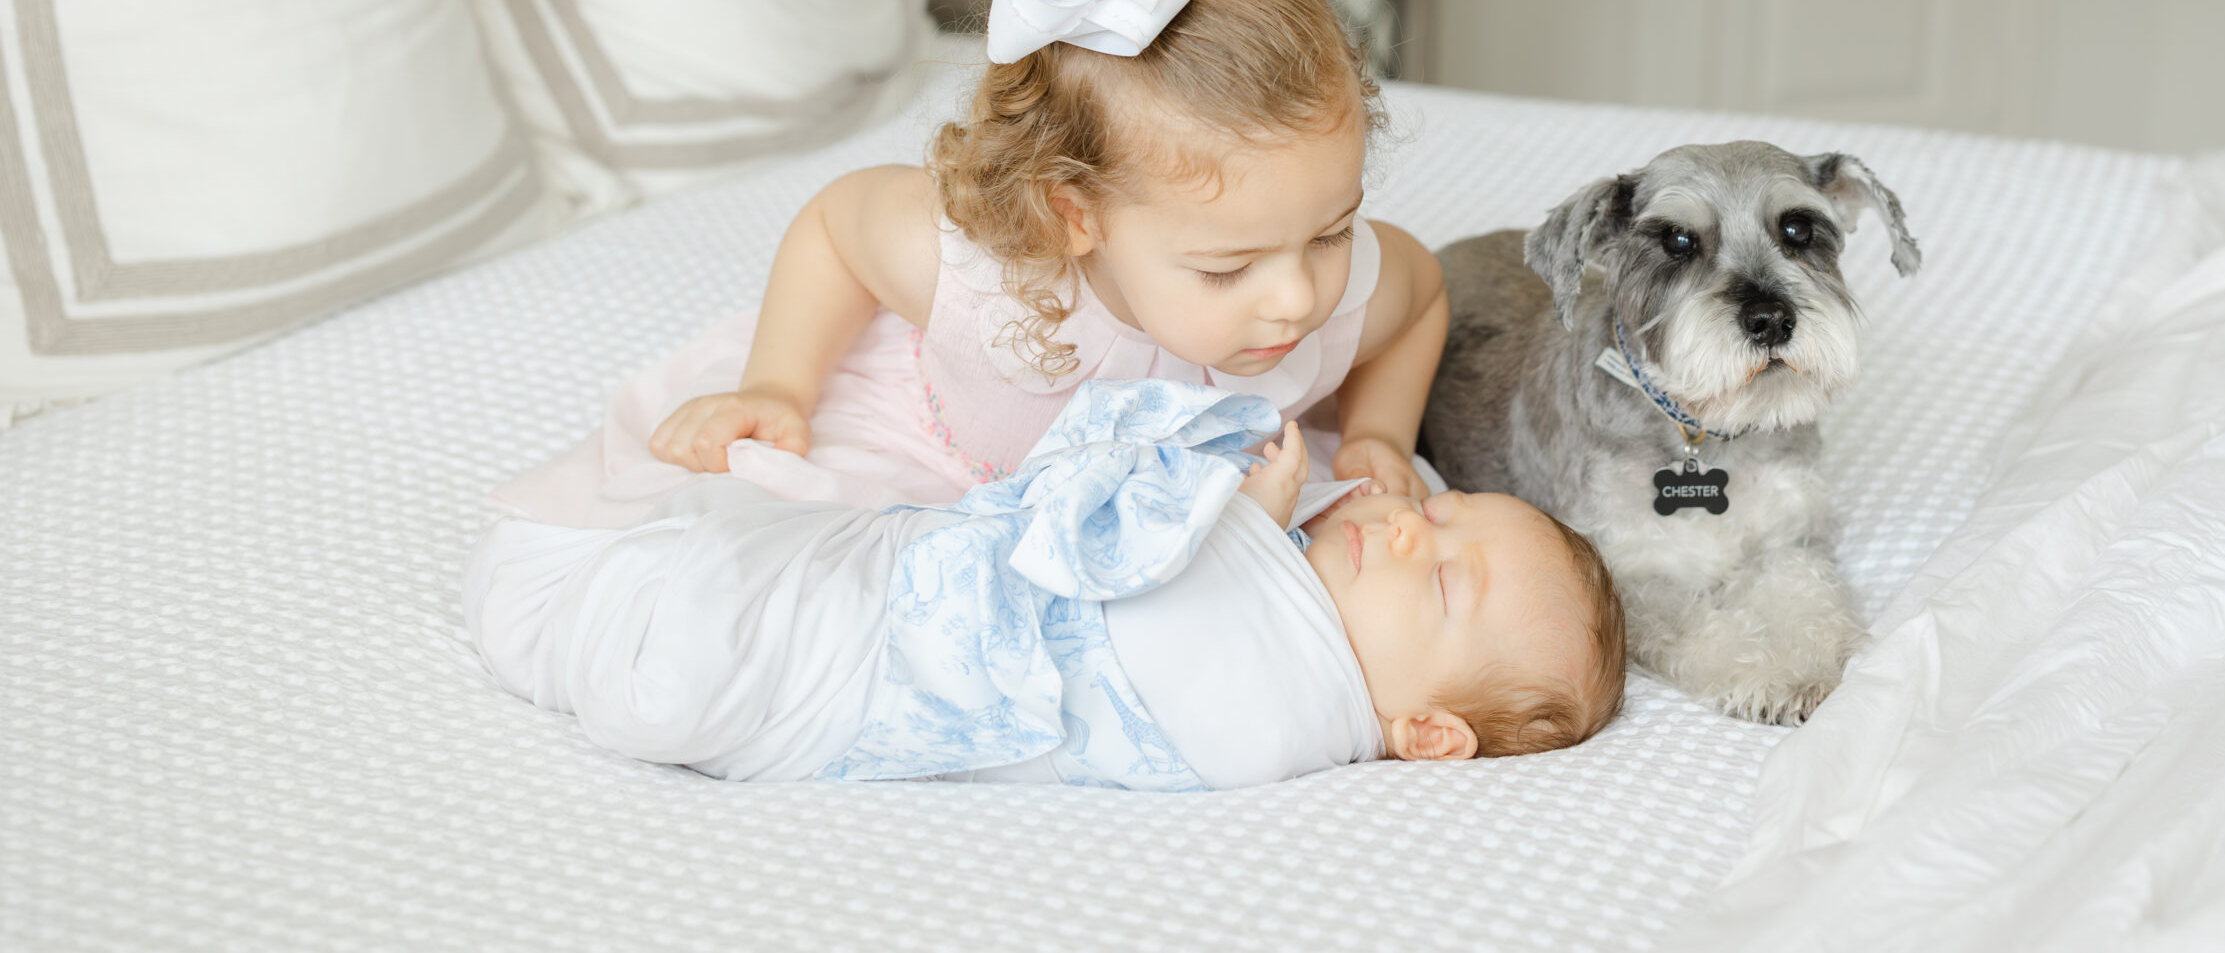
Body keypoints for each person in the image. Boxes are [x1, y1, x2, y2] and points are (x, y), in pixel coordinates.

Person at [494, 0, 1449, 530]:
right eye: (1226, 267)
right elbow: (836, 225)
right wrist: (779, 384)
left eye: (1329, 232)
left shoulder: (1336, 289)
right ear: (1076, 216)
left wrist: (1377, 432)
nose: (1299, 299)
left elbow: (1424, 295)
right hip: (952, 452)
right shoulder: (984, 282)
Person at [464, 380, 1628, 788]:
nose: (1410, 534)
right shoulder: (1292, 587)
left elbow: (1119, 583)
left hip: (861, 684)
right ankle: (649, 625)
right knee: (788, 562)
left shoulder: (1281, 720)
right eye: (1435, 513)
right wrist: (1262, 519)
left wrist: (1223, 507)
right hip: (903, 592)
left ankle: (670, 659)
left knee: (770, 633)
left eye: (1441, 588)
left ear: (1424, 732)